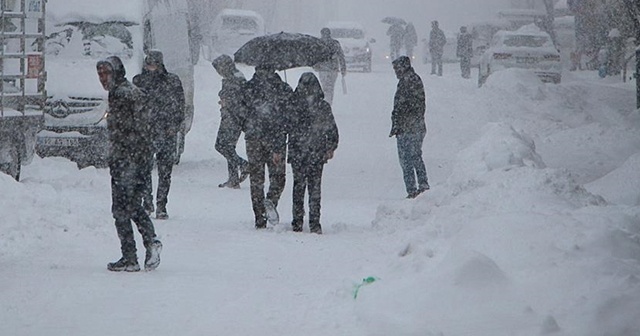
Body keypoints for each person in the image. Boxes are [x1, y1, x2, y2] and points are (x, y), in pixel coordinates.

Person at [96, 56, 162, 272]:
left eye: (106, 73)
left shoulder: (122, 94)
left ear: (116, 73)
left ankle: (138, 251)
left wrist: (126, 154)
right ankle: (138, 251)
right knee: (127, 206)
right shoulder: (126, 91)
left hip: (129, 159)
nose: (103, 78)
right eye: (100, 74)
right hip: (133, 158)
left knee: (124, 207)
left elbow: (131, 129)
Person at [239, 65, 294, 229]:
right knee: (278, 177)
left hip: (253, 139)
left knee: (256, 180)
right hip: (275, 139)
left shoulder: (247, 88)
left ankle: (259, 217)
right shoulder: (283, 88)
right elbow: (289, 115)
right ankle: (271, 200)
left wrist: (248, 128)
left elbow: (240, 112)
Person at [133, 50, 185, 220]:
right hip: (146, 132)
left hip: (166, 131)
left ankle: (161, 205)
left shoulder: (172, 81)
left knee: (165, 172)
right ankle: (147, 202)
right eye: (149, 63)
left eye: (154, 63)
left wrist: (174, 126)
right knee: (144, 170)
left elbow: (179, 106)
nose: (151, 67)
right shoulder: (139, 81)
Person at [288, 73, 339, 234]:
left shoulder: (294, 105)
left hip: (298, 152)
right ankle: (315, 222)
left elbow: (285, 127)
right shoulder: (322, 106)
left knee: (298, 187)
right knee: (315, 188)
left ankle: (297, 221)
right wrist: (330, 146)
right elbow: (332, 129)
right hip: (317, 152)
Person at [389, 56, 429, 199]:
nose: (395, 72)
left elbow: (403, 106)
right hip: (413, 126)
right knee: (415, 157)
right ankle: (422, 186)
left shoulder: (407, 82)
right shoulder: (412, 80)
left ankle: (413, 189)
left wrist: (399, 123)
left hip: (408, 128)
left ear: (403, 67)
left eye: (396, 69)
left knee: (407, 159)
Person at [211, 54, 249, 189]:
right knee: (228, 146)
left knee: (221, 145)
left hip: (233, 118)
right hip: (232, 116)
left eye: (219, 68)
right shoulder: (234, 77)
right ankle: (233, 179)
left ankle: (243, 164)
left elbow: (238, 100)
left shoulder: (235, 79)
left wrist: (227, 103)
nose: (219, 72)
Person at [316, 27, 346, 106]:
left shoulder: (318, 43)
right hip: (333, 69)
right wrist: (343, 68)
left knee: (325, 87)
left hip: (322, 69)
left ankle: (325, 102)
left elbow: (315, 56)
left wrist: (315, 66)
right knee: (330, 88)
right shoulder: (335, 43)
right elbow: (341, 56)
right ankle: (329, 103)